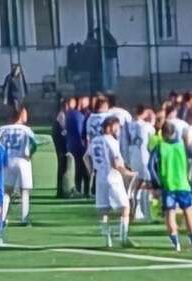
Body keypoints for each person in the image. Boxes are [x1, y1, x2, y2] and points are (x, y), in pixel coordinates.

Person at [153, 122, 192, 251]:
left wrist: (156, 182)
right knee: (188, 212)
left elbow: (150, 166)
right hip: (183, 184)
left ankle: (176, 242)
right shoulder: (183, 145)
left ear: (163, 133)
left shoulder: (160, 147)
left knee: (170, 213)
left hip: (168, 185)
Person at [86, 116, 136, 248]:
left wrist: (91, 171)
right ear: (110, 126)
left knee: (103, 210)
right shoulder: (111, 141)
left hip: (100, 177)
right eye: (116, 126)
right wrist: (128, 173)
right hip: (112, 177)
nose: (118, 129)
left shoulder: (95, 140)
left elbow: (86, 157)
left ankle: (107, 240)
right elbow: (116, 163)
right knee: (125, 207)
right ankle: (123, 238)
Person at [0, 106, 39, 225]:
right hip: (23, 160)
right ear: (20, 115)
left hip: (8, 160)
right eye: (25, 113)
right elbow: (34, 144)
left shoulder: (4, 129)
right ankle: (24, 218)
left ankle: (2, 218)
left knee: (7, 191)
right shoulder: (26, 130)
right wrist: (30, 153)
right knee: (25, 191)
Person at [123, 106, 156, 223]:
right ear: (144, 113)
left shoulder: (129, 125)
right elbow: (153, 135)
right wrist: (152, 119)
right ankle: (147, 213)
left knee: (135, 186)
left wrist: (126, 159)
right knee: (146, 184)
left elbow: (124, 143)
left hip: (133, 157)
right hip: (145, 157)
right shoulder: (146, 126)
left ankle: (135, 211)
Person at [65, 96, 90, 197]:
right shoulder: (78, 115)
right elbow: (81, 132)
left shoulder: (70, 114)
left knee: (78, 168)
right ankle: (85, 190)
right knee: (84, 168)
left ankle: (79, 189)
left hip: (72, 146)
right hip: (81, 146)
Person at [52, 98, 72, 198]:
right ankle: (62, 190)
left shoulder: (61, 115)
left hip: (60, 143)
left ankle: (62, 189)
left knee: (63, 166)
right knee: (63, 166)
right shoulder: (62, 115)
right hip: (61, 144)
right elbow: (63, 131)